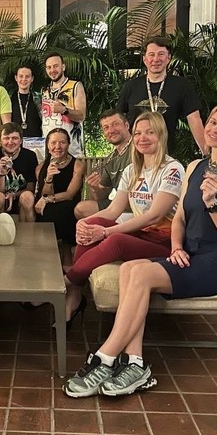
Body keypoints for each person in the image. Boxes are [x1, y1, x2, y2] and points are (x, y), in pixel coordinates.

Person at [63, 102, 217, 398]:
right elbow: (179, 218)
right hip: (188, 253)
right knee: (130, 269)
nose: (216, 129)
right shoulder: (195, 167)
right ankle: (135, 363)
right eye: (213, 122)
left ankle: (105, 357)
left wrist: (212, 204)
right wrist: (177, 247)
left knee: (141, 274)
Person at [65, 111, 185, 326]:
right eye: (138, 133)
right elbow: (113, 210)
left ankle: (67, 282)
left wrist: (106, 232)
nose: (142, 138)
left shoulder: (173, 169)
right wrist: (84, 223)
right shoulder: (132, 170)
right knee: (92, 222)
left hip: (164, 243)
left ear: (161, 135)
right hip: (141, 235)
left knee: (116, 240)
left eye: (150, 132)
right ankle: (74, 292)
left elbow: (154, 216)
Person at [117, 35, 206, 154]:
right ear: (145, 59)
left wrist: (207, 153)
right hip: (134, 154)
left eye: (161, 54)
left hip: (166, 152)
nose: (156, 59)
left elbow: (194, 119)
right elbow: (118, 121)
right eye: (151, 55)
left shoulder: (181, 86)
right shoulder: (131, 86)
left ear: (168, 58)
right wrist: (120, 153)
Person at [34, 128, 85, 271]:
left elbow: (70, 194)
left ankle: (66, 251)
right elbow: (44, 193)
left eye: (62, 142)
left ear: (68, 144)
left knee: (63, 210)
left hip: (68, 204)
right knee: (47, 212)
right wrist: (49, 178)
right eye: (53, 143)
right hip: (49, 206)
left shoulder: (77, 165)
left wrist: (47, 199)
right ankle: (51, 254)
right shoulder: (40, 167)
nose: (58, 147)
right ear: (47, 145)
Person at [74, 109, 132, 220]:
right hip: (118, 204)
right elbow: (101, 197)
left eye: (115, 124)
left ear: (127, 125)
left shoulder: (139, 147)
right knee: (81, 209)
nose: (111, 130)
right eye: (106, 127)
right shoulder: (110, 159)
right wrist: (94, 187)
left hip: (138, 203)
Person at [0, 122, 38, 220]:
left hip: (20, 197)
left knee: (28, 197)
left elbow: (30, 188)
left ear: (21, 140)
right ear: (0, 140)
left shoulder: (30, 156)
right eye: (6, 138)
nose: (10, 142)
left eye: (14, 138)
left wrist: (14, 195)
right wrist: (2, 173)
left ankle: (28, 230)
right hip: (0, 198)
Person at [41, 53, 86, 158]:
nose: (52, 70)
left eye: (56, 66)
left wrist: (64, 110)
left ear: (63, 67)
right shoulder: (44, 90)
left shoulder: (76, 86)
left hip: (72, 151)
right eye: (49, 67)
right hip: (49, 152)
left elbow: (81, 116)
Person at [10, 65, 42, 138]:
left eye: (27, 76)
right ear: (16, 78)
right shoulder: (9, 98)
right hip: (14, 141)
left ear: (32, 79)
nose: (24, 79)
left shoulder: (39, 98)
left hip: (36, 142)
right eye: (21, 76)